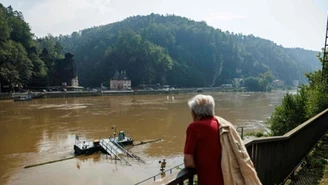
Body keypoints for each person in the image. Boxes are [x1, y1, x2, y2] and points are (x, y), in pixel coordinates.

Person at [184, 94, 261, 185]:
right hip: (229, 178)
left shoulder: (195, 127)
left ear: (194, 112)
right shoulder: (221, 123)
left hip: (210, 180)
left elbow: (188, 161)